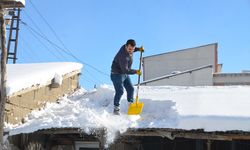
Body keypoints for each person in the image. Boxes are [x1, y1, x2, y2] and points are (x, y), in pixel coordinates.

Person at [111, 39, 144, 115]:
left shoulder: (128, 48)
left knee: (130, 89)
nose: (131, 51)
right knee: (120, 91)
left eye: (132, 49)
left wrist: (138, 49)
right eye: (129, 49)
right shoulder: (123, 56)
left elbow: (133, 48)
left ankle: (130, 105)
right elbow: (125, 70)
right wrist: (136, 71)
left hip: (124, 74)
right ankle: (116, 109)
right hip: (116, 74)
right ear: (126, 46)